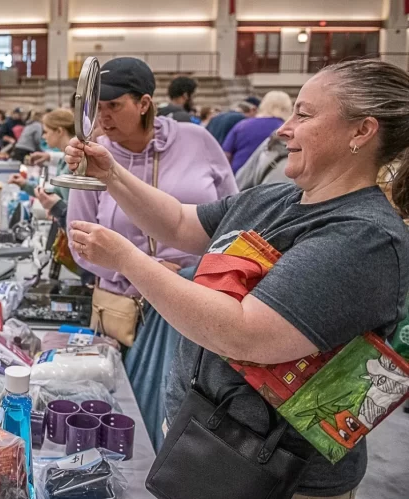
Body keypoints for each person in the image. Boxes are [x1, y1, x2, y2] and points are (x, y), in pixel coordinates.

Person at [66, 58, 409, 499]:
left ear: (362, 131)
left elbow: (245, 333)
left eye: (304, 115)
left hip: (279, 475)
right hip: (214, 445)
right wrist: (111, 175)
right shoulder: (279, 197)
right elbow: (180, 224)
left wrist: (128, 260)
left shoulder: (363, 237)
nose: (283, 129)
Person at [65, 58, 238, 446]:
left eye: (115, 106)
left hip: (197, 303)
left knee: (185, 417)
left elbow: (234, 220)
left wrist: (193, 268)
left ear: (144, 103)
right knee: (129, 415)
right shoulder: (93, 158)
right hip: (127, 311)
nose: (104, 118)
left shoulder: (197, 142)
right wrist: (139, 271)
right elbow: (80, 242)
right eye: (99, 108)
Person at [10, 109, 74, 227]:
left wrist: (57, 207)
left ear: (59, 131)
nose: (43, 136)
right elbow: (56, 192)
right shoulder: (64, 160)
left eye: (46, 132)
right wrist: (25, 185)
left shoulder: (74, 162)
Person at [223, 90, 293, 174]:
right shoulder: (287, 129)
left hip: (239, 177)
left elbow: (226, 155)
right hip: (270, 176)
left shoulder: (242, 125)